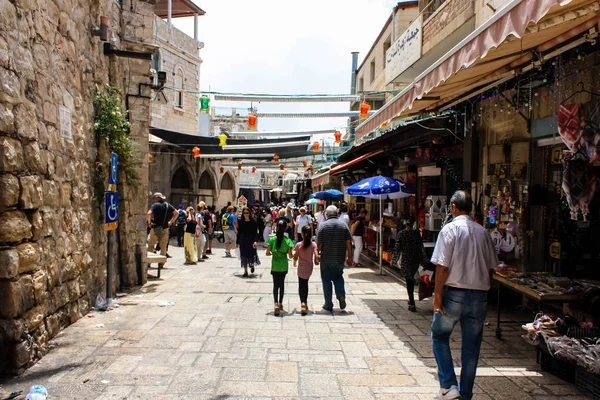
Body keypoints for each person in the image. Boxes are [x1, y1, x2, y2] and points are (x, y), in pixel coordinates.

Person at [430, 190, 499, 400]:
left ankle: (449, 385)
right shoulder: (483, 232)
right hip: (479, 296)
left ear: (452, 207)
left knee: (439, 336)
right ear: (471, 208)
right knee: (472, 346)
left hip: (454, 294)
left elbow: (442, 267)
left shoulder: (449, 230)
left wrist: (437, 295)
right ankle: (466, 393)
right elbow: (491, 269)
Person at [317, 205, 352, 312]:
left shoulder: (323, 226)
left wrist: (317, 254)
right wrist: (350, 257)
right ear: (337, 214)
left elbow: (319, 244)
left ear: (326, 215)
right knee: (338, 277)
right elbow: (349, 243)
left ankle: (328, 304)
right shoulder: (343, 225)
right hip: (339, 258)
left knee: (326, 280)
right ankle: (341, 295)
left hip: (326, 259)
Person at [391, 217, 427, 312]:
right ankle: (411, 300)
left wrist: (393, 260)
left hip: (406, 259)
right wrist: (424, 261)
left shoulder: (402, 234)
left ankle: (411, 302)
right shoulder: (416, 234)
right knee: (412, 279)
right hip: (415, 259)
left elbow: (397, 248)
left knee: (409, 281)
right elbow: (421, 248)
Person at [266, 220, 294, 316]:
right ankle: (281, 303)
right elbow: (290, 256)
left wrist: (273, 253)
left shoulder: (272, 239)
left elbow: (267, 253)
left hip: (275, 265)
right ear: (286, 228)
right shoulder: (288, 241)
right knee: (281, 285)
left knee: (275, 285)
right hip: (283, 266)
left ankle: (275, 304)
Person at [293, 225, 319, 316]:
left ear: (302, 234)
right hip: (309, 267)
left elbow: (296, 255)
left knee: (301, 284)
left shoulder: (299, 245)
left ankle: (303, 303)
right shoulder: (313, 245)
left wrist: (294, 261)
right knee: (306, 283)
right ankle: (305, 302)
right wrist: (316, 260)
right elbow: (316, 255)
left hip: (301, 267)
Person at [147, 193, 178, 265]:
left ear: (157, 198)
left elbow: (149, 213)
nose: (154, 200)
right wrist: (170, 222)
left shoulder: (155, 205)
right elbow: (177, 213)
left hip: (155, 228)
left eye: (154, 198)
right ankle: (161, 264)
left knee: (151, 245)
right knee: (163, 247)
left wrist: (149, 223)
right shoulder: (168, 205)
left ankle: (148, 263)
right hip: (165, 228)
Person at [237, 207, 261, 277]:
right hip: (243, 240)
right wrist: (237, 242)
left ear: (249, 213)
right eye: (244, 213)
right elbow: (239, 232)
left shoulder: (253, 221)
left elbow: (255, 232)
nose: (246, 214)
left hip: (251, 239)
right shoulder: (240, 221)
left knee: (251, 254)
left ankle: (252, 265)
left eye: (247, 213)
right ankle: (245, 271)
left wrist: (256, 241)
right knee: (243, 255)